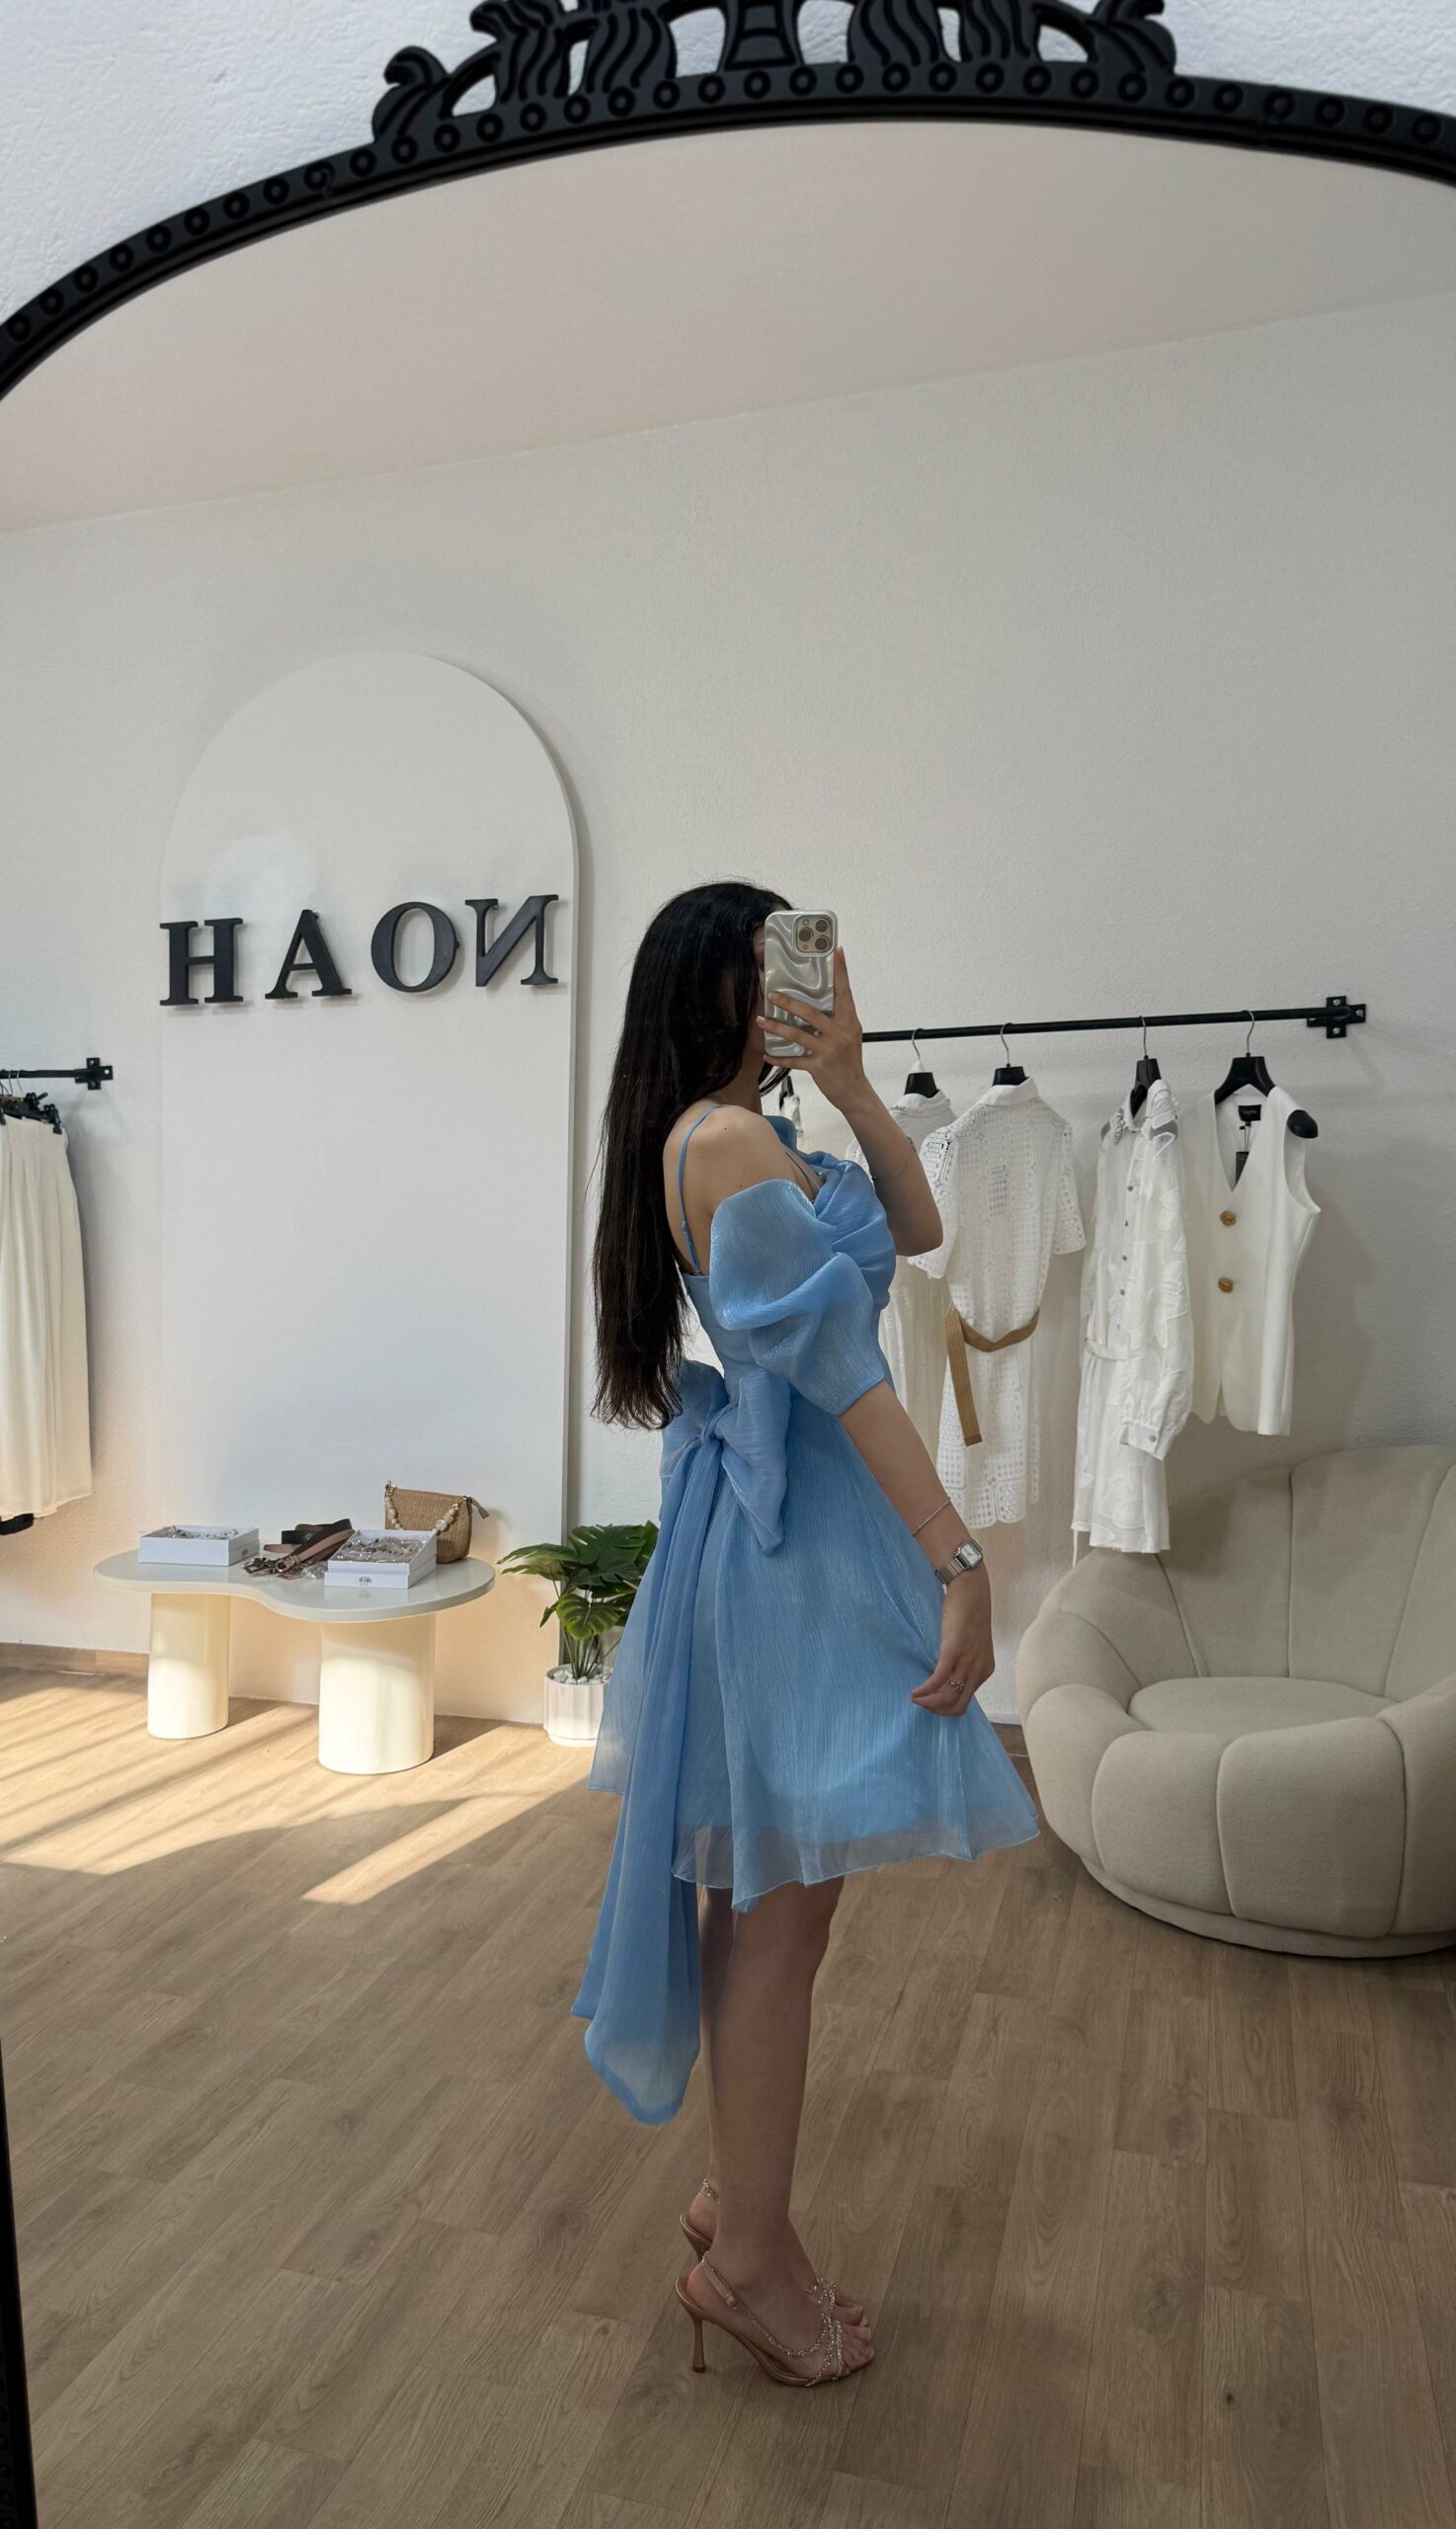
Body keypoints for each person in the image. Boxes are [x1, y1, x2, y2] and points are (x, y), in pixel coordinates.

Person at [576, 880, 1038, 2388]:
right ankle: (752, 2262)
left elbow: (914, 1227)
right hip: (791, 1558)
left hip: (792, 1549)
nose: (807, 984)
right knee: (778, 1909)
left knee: (779, 1906)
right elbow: (844, 1371)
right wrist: (956, 1554)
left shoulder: (749, 1134)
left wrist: (848, 1079)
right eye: (775, 964)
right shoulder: (719, 1145)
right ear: (718, 986)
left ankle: (741, 2202)